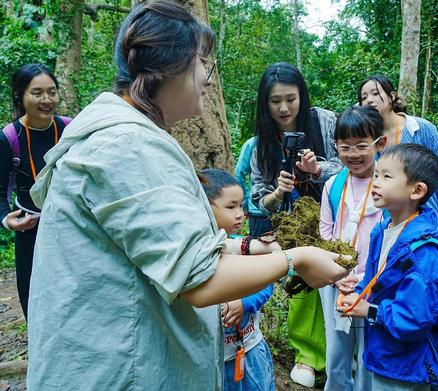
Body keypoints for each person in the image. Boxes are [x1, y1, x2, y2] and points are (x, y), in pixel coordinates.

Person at [25, 3, 347, 390]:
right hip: (120, 372)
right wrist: (296, 258)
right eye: (203, 63)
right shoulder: (128, 145)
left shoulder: (124, 137)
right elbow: (201, 280)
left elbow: (166, 249)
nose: (208, 80)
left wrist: (255, 249)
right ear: (170, 66)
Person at [339, 144, 438, 390]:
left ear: (417, 190)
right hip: (382, 352)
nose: (376, 182)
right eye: (376, 174)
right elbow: (376, 279)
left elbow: (415, 318)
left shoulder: (425, 254)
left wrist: (369, 311)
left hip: (406, 365)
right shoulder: (382, 229)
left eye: (387, 176)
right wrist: (357, 293)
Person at [250, 62, 340, 387]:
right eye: (275, 101)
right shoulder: (261, 143)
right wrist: (277, 192)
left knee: (336, 281)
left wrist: (318, 170)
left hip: (334, 216)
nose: (284, 108)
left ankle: (339, 352)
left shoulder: (325, 121)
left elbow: (350, 162)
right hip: (294, 224)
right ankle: (307, 355)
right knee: (301, 283)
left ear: (302, 95)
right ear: (265, 103)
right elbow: (260, 200)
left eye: (291, 98)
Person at [319, 105, 386, 391]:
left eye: (361, 146)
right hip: (336, 281)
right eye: (344, 147)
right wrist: (335, 274)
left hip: (375, 282)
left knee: (369, 348)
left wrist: (368, 280)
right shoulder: (334, 184)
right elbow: (324, 231)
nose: (353, 154)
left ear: (379, 143)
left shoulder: (389, 185)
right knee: (336, 350)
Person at [0, 63, 71, 320]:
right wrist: (7, 219)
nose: (46, 100)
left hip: (68, 228)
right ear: (20, 95)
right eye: (37, 92)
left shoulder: (69, 129)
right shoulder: (9, 137)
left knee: (72, 296)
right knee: (33, 300)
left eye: (52, 92)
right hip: (30, 229)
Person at [201, 168, 277, 391]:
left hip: (249, 348)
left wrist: (244, 303)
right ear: (204, 208)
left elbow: (266, 282)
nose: (240, 214)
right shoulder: (195, 256)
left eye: (240, 206)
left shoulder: (244, 246)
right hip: (213, 358)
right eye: (230, 207)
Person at [358, 74, 438, 220]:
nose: (369, 100)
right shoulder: (368, 139)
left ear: (392, 96)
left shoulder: (422, 129)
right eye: (364, 97)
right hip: (385, 220)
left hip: (425, 220)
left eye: (375, 93)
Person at [235, 136, 269, 237]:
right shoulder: (254, 143)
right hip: (259, 211)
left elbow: (239, 173)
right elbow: (239, 174)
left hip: (262, 212)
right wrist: (243, 205)